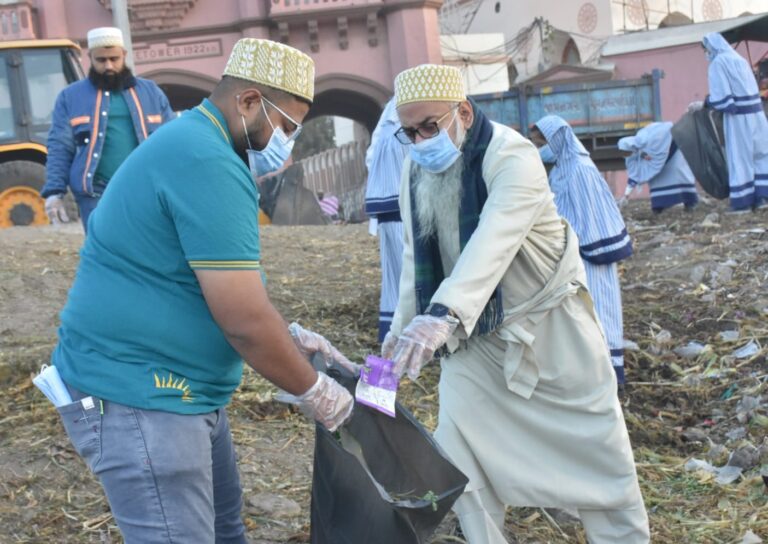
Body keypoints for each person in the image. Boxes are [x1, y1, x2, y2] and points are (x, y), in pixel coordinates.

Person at [47, 38, 355, 543]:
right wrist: (314, 389)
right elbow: (243, 319)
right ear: (250, 101)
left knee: (223, 529)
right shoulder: (206, 160)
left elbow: (207, 283)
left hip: (179, 389)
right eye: (286, 125)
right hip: (141, 394)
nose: (287, 141)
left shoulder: (196, 142)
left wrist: (288, 337)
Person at [383, 64, 649, 543]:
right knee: (458, 463)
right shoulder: (415, 167)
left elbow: (493, 242)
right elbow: (415, 257)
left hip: (550, 334)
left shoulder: (512, 156)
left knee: (603, 469)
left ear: (462, 111)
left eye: (430, 126)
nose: (422, 141)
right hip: (475, 340)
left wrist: (440, 317)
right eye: (411, 132)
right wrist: (395, 341)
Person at [41, 27, 175, 232]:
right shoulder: (70, 97)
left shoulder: (151, 93)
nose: (109, 66)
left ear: (124, 55)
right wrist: (54, 192)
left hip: (144, 187)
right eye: (101, 60)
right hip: (95, 190)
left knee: (146, 246)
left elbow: (173, 141)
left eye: (114, 59)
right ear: (90, 58)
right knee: (103, 249)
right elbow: (60, 146)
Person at [530, 115, 632, 385]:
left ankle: (608, 373)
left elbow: (592, 212)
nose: (541, 148)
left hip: (590, 252)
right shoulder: (562, 167)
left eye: (544, 142)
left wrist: (585, 244)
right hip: (572, 254)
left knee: (599, 308)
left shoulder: (579, 168)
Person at [698, 32, 768, 211]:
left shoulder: (718, 63)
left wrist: (705, 103)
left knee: (740, 158)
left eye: (705, 49)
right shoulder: (740, 60)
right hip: (757, 115)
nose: (706, 52)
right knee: (761, 156)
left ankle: (743, 202)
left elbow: (722, 98)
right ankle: (763, 198)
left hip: (739, 118)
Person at [364, 97, 408, 341]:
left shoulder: (386, 128)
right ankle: (405, 333)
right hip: (402, 208)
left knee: (396, 275)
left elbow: (370, 159)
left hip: (389, 208)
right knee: (407, 274)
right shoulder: (398, 130)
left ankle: (396, 333)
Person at [617, 122, 698, 213]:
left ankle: (689, 202)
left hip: (673, 149)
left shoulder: (646, 138)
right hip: (659, 162)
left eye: (625, 152)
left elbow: (665, 133)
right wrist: (626, 195)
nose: (625, 155)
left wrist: (651, 155)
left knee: (680, 173)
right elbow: (634, 175)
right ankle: (659, 206)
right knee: (657, 179)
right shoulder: (631, 157)